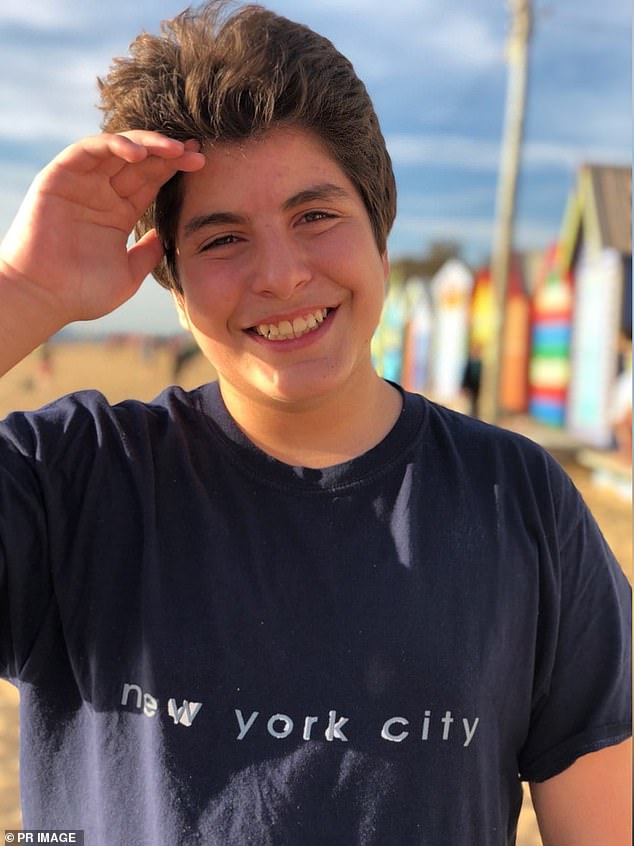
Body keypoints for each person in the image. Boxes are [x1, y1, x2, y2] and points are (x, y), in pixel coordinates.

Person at [0, 3, 630, 843]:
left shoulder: (521, 503)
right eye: (222, 238)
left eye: (316, 215)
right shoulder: (68, 481)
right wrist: (21, 294)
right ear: (174, 281)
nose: (281, 275)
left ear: (379, 225)